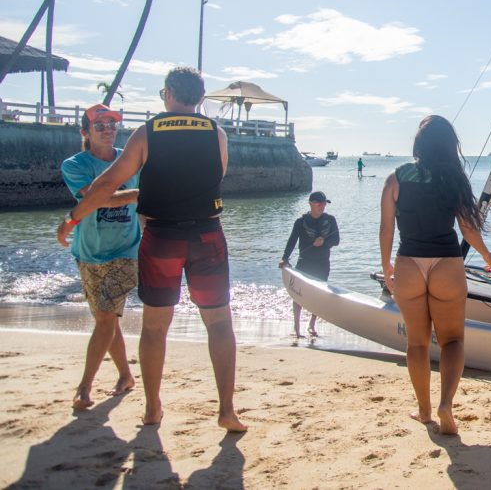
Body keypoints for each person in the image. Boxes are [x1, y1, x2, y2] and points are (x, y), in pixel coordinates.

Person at [56, 66, 246, 432]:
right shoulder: (216, 133)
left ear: (168, 94)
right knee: (220, 322)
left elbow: (108, 180)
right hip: (207, 234)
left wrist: (73, 217)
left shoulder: (149, 132)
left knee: (156, 327)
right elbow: (214, 178)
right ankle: (226, 410)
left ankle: (153, 408)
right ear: (200, 98)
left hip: (161, 236)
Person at [379, 115, 491, 435]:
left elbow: (386, 227)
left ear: (418, 143)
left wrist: (387, 266)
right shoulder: (454, 178)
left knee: (417, 343)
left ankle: (424, 411)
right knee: (453, 340)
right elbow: (468, 228)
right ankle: (446, 404)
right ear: (449, 145)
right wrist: (487, 255)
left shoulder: (396, 177)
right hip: (446, 262)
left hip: (409, 264)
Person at [60, 104, 141, 410]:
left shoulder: (131, 159)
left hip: (127, 250)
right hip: (89, 252)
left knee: (106, 317)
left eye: (112, 124)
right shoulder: (74, 165)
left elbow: (138, 202)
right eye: (100, 125)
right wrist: (136, 194)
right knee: (107, 321)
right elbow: (95, 201)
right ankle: (125, 376)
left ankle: (84, 386)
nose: (108, 129)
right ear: (85, 132)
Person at [279, 191, 340, 337]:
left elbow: (336, 240)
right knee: (298, 294)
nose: (323, 206)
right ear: (311, 204)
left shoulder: (330, 220)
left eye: (325, 203)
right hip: (304, 262)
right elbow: (292, 241)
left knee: (318, 295)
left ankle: (312, 324)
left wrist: (324, 242)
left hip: (323, 263)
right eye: (320, 204)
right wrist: (285, 258)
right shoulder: (301, 222)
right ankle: (296, 326)